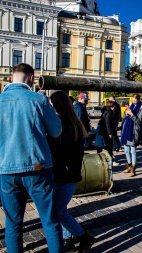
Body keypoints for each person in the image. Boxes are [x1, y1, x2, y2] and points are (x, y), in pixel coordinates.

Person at [0, 63, 63, 252]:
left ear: (12, 78)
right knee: (50, 220)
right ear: (31, 79)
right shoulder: (38, 100)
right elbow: (56, 131)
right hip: (37, 168)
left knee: (13, 223)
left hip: (6, 170)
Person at [48, 91, 95, 252]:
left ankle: (83, 237)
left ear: (56, 105)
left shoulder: (59, 124)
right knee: (61, 210)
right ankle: (69, 238)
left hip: (62, 174)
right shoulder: (74, 122)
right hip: (70, 174)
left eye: (51, 104)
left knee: (58, 211)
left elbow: (56, 151)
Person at [121, 94, 142, 176]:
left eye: (135, 99)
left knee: (133, 151)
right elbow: (123, 118)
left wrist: (132, 114)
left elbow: (139, 122)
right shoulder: (130, 106)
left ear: (138, 100)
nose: (134, 100)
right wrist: (126, 114)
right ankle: (129, 166)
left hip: (133, 131)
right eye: (133, 99)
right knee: (126, 150)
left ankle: (133, 170)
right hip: (126, 131)